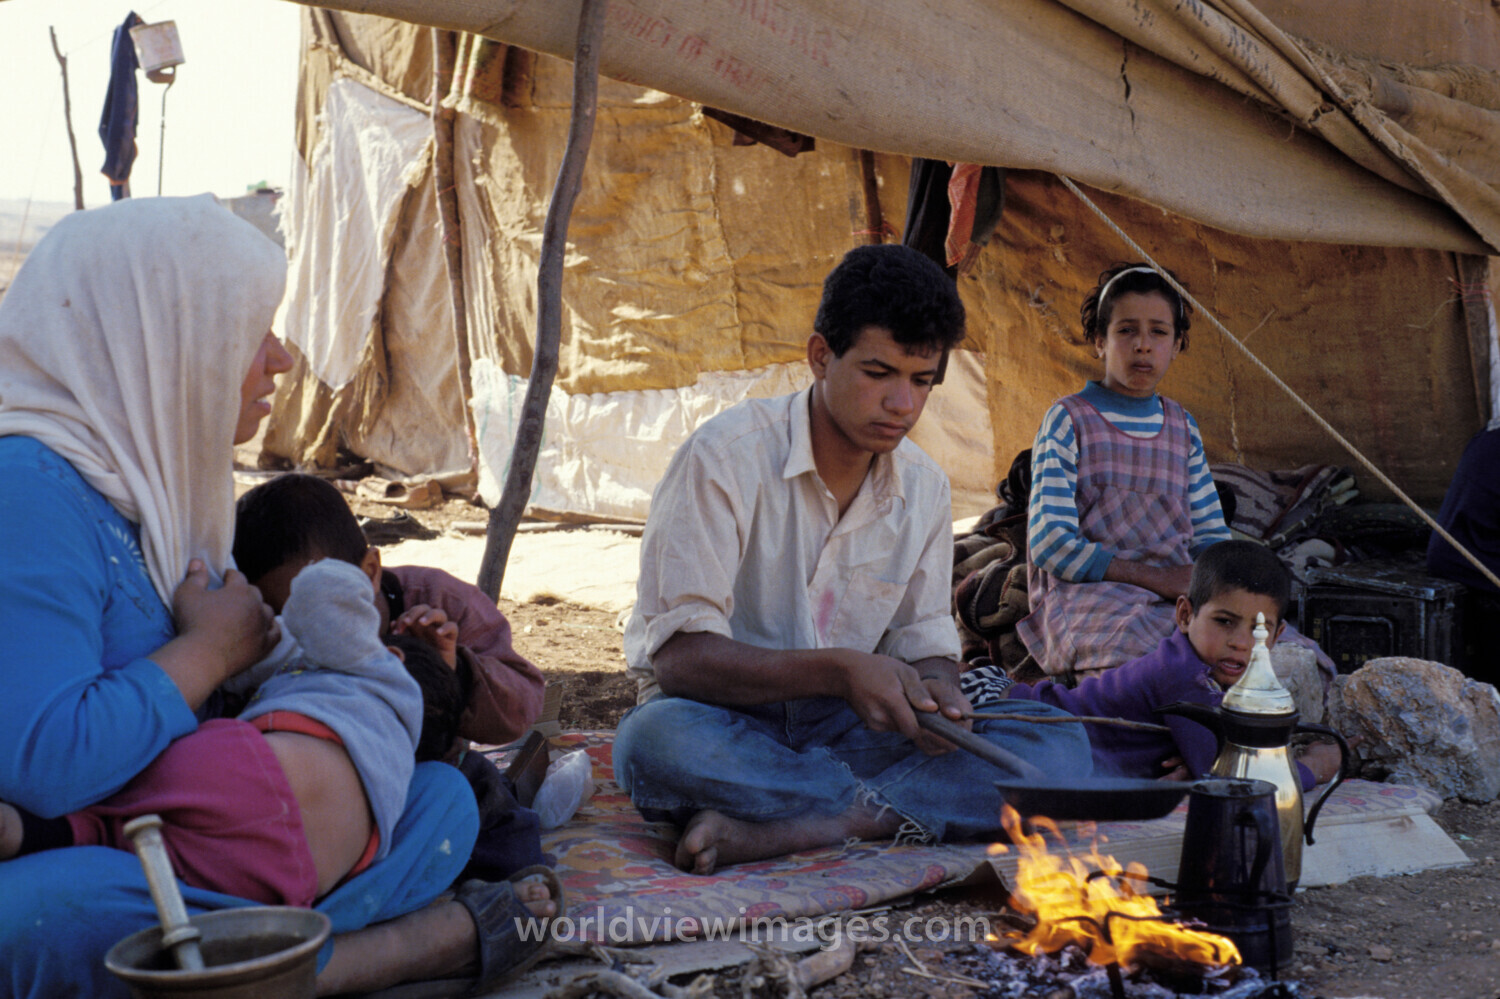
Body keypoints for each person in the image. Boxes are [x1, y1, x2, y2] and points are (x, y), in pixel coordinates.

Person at [0, 196, 550, 999]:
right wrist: (208, 651)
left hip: (209, 840)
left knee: (438, 799)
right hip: (94, 846)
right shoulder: (29, 493)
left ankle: (234, 958)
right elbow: (45, 767)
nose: (281, 358)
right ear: (163, 338)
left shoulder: (160, 487)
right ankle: (381, 954)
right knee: (33, 916)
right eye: (249, 329)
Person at [612, 243, 1093, 876]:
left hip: (851, 727)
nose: (903, 404)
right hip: (722, 717)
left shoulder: (923, 486)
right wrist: (841, 670)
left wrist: (938, 695)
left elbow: (925, 640)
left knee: (1060, 747)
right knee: (653, 745)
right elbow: (679, 662)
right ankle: (887, 810)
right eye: (878, 373)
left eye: (922, 381)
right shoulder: (723, 458)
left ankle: (822, 822)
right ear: (820, 356)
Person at [0, 563, 464, 907]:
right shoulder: (397, 770)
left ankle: (37, 823)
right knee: (134, 843)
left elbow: (317, 598)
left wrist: (358, 592)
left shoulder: (381, 667)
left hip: (252, 772)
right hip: (285, 882)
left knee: (120, 784)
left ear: (395, 657)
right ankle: (37, 833)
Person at [233, 472, 551, 879]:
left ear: (369, 569)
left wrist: (454, 670)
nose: (302, 627)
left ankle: (496, 908)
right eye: (284, 614)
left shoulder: (439, 600)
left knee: (500, 827)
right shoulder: (263, 636)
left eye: (319, 601)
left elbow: (522, 703)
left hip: (434, 774)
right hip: (335, 790)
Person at [1018, 264, 1234, 680]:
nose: (1142, 346)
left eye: (1158, 332)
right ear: (1099, 342)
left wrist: (1216, 584)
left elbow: (1211, 537)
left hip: (1177, 597)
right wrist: (1156, 579)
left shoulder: (1182, 426)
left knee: (1280, 654)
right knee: (1146, 665)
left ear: (1176, 346)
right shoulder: (1068, 419)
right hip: (1088, 597)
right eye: (1126, 330)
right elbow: (1049, 543)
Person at [1001, 541, 1342, 786]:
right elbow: (1235, 785)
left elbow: (1220, 757)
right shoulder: (1183, 675)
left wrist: (1203, 757)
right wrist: (1315, 766)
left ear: (1278, 635)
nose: (1240, 642)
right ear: (1184, 615)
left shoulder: (1211, 673)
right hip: (1018, 725)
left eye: (1258, 629)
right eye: (1224, 621)